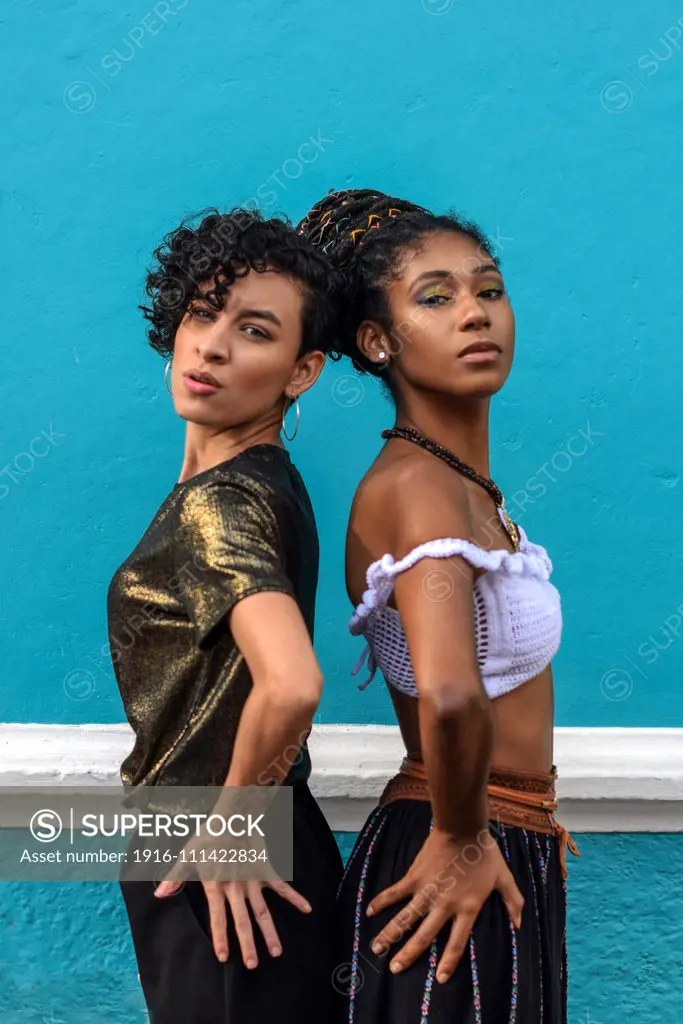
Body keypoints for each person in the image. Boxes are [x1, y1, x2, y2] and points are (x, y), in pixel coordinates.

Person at [299, 189, 578, 1023]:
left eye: (487, 290)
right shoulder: (420, 486)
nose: (474, 314)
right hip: (455, 844)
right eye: (435, 297)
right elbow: (452, 695)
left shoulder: (456, 485)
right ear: (377, 341)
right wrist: (461, 840)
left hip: (491, 840)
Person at [110, 208, 344, 1023]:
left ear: (301, 370)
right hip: (250, 842)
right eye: (201, 314)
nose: (211, 346)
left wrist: (233, 827)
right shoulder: (259, 478)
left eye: (253, 330)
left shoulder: (225, 502)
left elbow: (292, 683)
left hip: (216, 857)